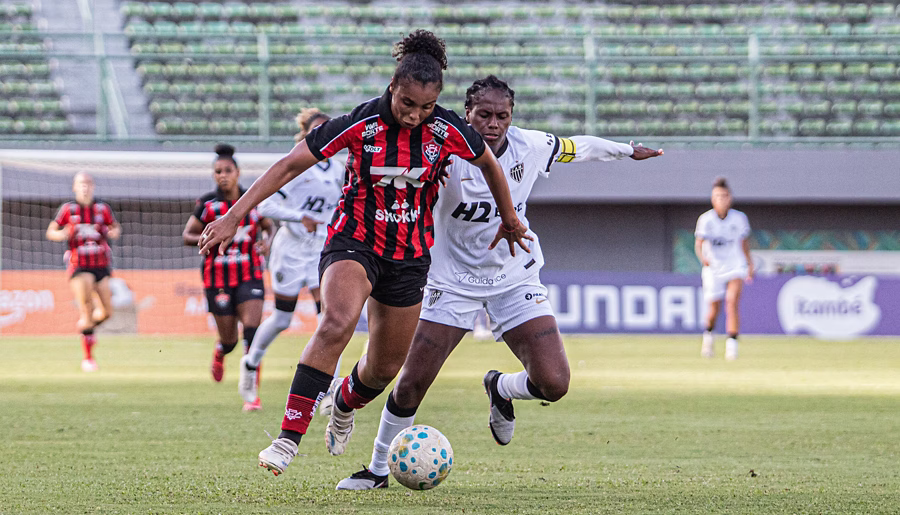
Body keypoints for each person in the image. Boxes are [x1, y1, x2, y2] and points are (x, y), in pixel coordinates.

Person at [197, 30, 529, 477]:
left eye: (426, 106)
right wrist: (235, 215)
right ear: (393, 87)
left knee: (385, 366)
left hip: (410, 255)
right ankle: (287, 439)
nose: (414, 115)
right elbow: (289, 164)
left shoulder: (447, 128)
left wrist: (509, 218)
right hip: (354, 240)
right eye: (407, 103)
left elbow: (488, 162)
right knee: (336, 322)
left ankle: (343, 401)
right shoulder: (361, 122)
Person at [335, 75, 663, 489]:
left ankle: (501, 387)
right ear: (467, 113)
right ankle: (378, 469)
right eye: (484, 114)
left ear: (511, 116)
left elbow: (578, 147)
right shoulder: (444, 148)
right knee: (412, 383)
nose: (493, 124)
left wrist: (627, 150)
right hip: (451, 280)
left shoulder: (530, 146)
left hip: (513, 276)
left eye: (502, 116)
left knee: (554, 383)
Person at [239, 108, 346, 415]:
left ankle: (329, 391)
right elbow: (265, 205)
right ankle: (250, 363)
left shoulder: (339, 169)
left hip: (321, 250)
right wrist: (300, 216)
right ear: (306, 134)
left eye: (328, 129)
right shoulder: (297, 164)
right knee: (282, 318)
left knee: (331, 319)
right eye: (316, 130)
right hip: (291, 249)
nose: (324, 134)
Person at [182, 144, 275, 411]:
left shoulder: (252, 199)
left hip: (250, 274)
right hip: (218, 279)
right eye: (218, 171)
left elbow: (269, 226)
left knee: (252, 334)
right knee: (231, 341)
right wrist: (209, 238)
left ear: (237, 172)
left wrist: (267, 241)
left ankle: (251, 395)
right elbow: (187, 235)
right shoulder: (207, 205)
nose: (223, 176)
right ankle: (221, 351)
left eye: (227, 171)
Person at [46, 172, 122, 372]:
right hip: (79, 264)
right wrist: (64, 233)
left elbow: (115, 228)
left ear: (93, 186)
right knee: (86, 306)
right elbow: (51, 231)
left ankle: (86, 331)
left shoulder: (102, 209)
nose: (85, 187)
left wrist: (112, 232)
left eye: (88, 183)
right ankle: (88, 358)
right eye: (81, 184)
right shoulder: (68, 209)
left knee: (106, 312)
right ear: (74, 187)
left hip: (101, 264)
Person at [695, 178, 753, 360]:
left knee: (731, 301)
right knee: (714, 309)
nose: (721, 199)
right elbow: (699, 244)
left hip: (735, 265)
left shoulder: (739, 218)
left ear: (730, 198)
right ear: (713, 199)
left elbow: (744, 244)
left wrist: (749, 264)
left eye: (724, 196)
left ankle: (732, 346)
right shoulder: (705, 220)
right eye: (718, 196)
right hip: (713, 268)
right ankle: (708, 338)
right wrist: (703, 259)